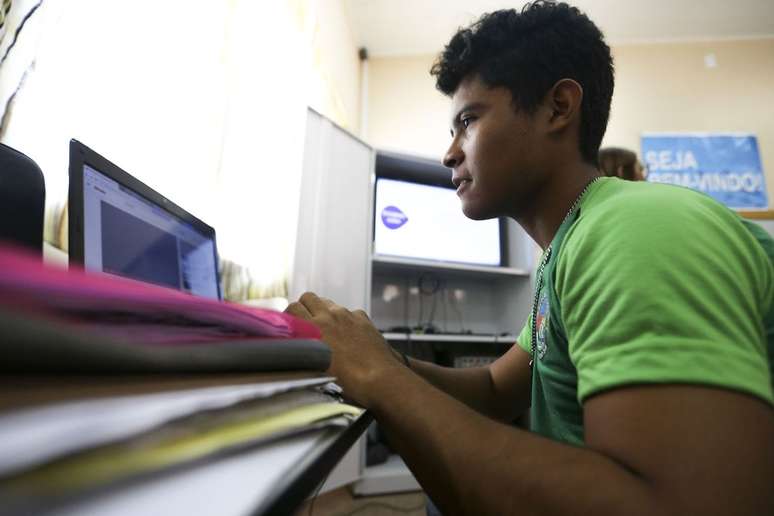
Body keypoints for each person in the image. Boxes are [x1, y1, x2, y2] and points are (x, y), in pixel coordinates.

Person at [287, 2, 774, 514]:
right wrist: (380, 359)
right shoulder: (565, 250)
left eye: (468, 121)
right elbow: (495, 388)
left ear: (558, 107)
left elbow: (678, 504)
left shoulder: (632, 230)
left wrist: (381, 380)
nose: (449, 153)